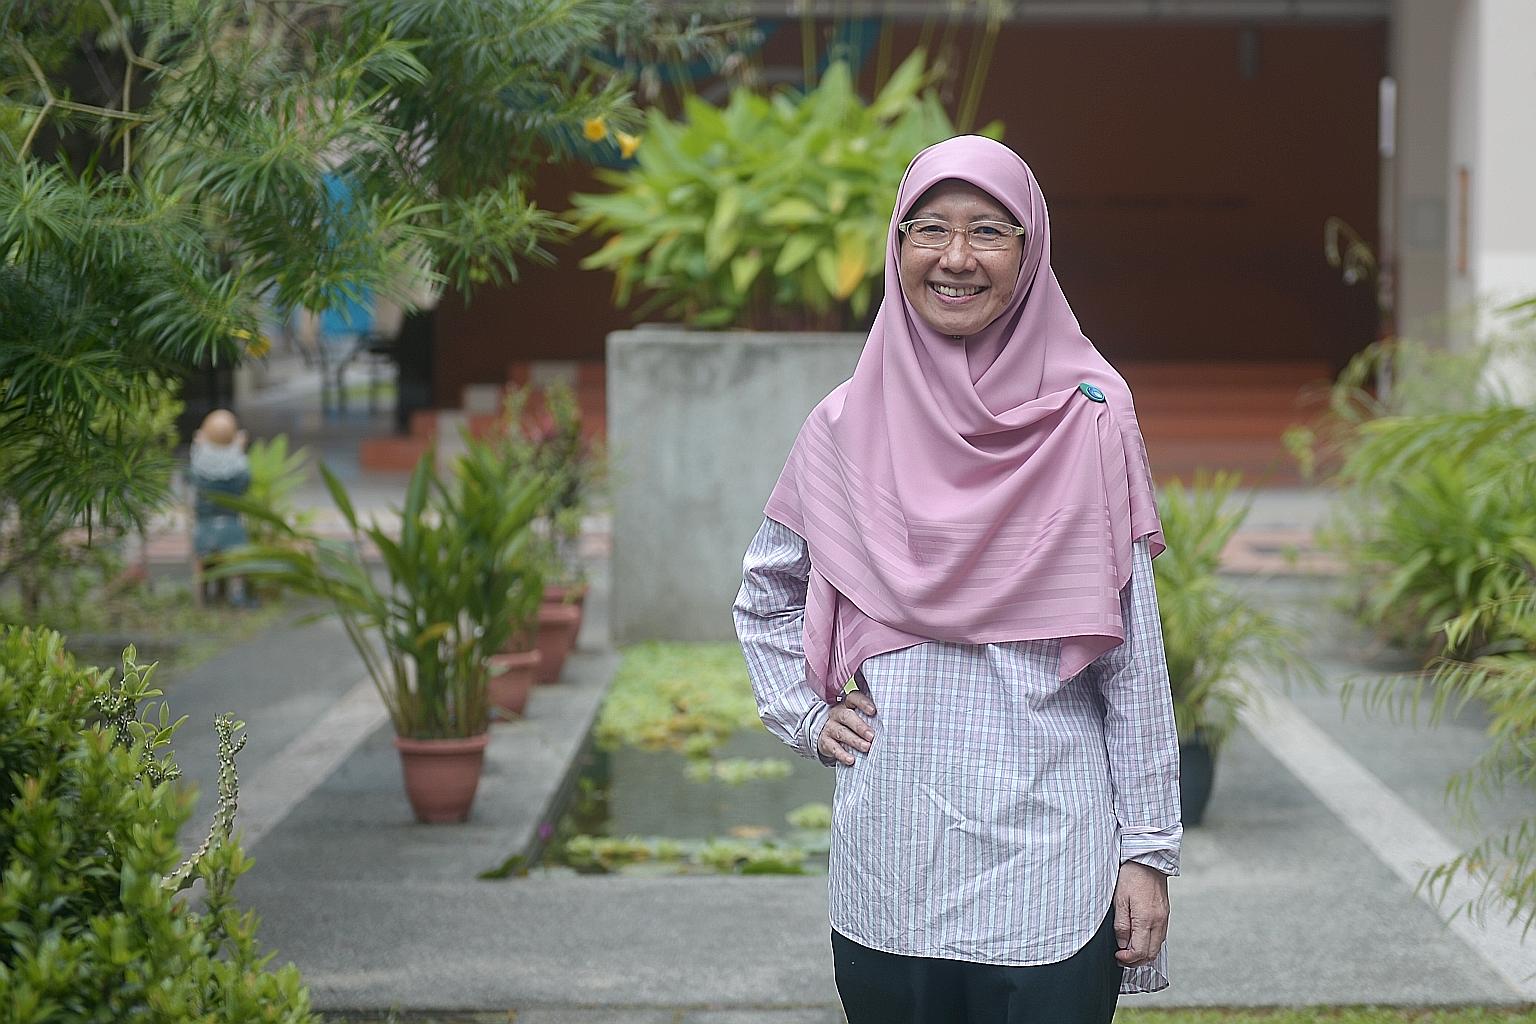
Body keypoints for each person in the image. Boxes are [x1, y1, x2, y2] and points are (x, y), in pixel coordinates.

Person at [732, 135, 1181, 1024]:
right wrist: (807, 714)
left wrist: (1148, 852)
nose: (957, 258)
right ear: (898, 249)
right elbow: (767, 592)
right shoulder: (844, 425)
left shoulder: (1090, 420)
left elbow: (1135, 661)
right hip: (892, 858)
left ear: (1032, 249)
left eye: (989, 230)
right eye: (929, 229)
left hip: (1050, 865)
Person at [187, 408, 253, 606]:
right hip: (233, 527)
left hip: (204, 528)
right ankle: (237, 593)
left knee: (202, 553)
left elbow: (191, 476)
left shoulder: (198, 470)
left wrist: (199, 445)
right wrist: (239, 449)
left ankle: (202, 596)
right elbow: (245, 483)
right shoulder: (239, 472)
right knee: (237, 553)